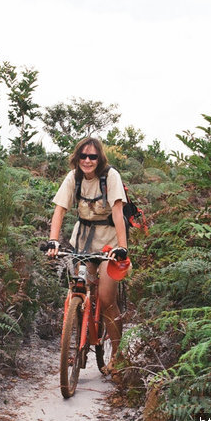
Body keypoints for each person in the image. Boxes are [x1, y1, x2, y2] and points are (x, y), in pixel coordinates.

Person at [45, 137, 129, 373]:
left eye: (92, 156)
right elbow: (60, 210)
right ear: (77, 157)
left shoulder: (110, 177)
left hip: (109, 244)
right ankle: (78, 344)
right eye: (83, 156)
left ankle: (118, 355)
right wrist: (53, 239)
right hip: (82, 242)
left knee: (105, 298)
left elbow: (118, 212)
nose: (88, 161)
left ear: (99, 158)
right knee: (79, 290)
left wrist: (122, 247)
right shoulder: (74, 178)